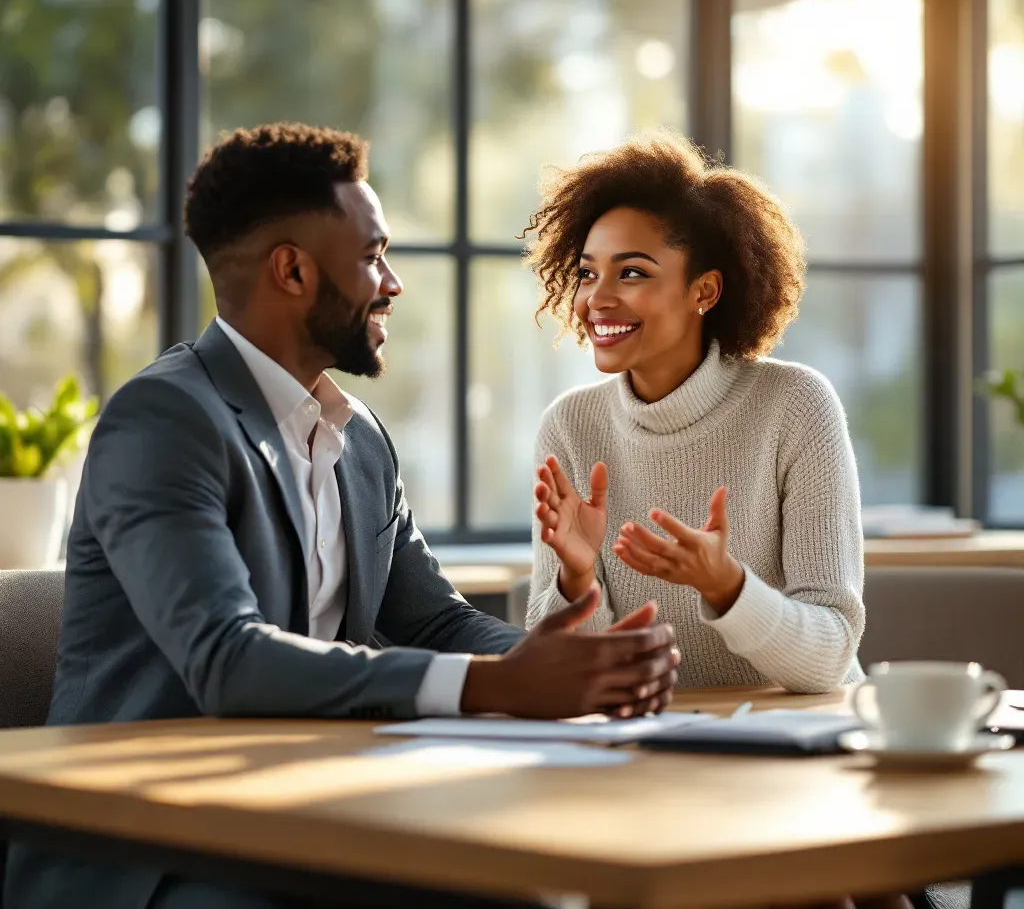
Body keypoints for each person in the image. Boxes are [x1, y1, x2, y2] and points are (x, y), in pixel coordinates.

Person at [3, 123, 679, 909]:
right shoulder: (164, 420)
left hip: (307, 813)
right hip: (148, 856)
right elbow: (228, 659)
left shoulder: (358, 439)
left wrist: (574, 669)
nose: (392, 282)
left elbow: (435, 624)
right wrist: (496, 685)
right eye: (371, 257)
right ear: (291, 270)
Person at [525, 130, 866, 695]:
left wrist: (727, 586)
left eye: (631, 272)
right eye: (588, 273)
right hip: (652, 746)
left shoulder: (796, 406)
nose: (598, 299)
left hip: (802, 744)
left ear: (704, 291)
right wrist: (578, 578)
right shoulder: (570, 426)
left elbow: (829, 658)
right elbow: (566, 675)